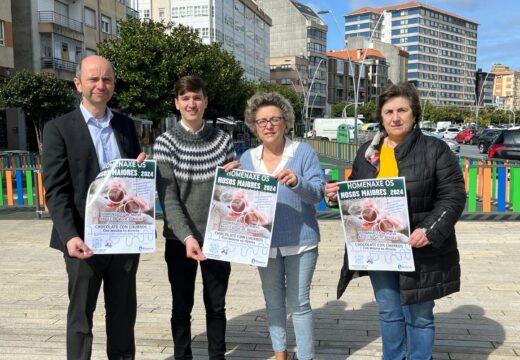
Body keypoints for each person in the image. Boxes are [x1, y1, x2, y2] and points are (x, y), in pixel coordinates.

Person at [325, 82, 466, 360]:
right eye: (388, 111)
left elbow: (453, 196)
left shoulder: (434, 149)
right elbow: (357, 191)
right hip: (379, 247)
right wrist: (336, 194)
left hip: (419, 247)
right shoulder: (369, 151)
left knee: (420, 315)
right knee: (389, 312)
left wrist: (430, 229)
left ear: (414, 114)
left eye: (402, 110)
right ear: (381, 116)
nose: (395, 117)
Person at [42, 55, 146, 359]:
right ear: (78, 84)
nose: (101, 85)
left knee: (123, 316)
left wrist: (139, 171)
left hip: (124, 238)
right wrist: (69, 236)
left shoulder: (126, 125)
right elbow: (56, 190)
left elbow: (133, 181)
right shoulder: (58, 128)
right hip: (82, 241)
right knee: (80, 318)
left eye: (107, 79)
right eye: (93, 79)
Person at [154, 75, 239, 360]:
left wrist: (237, 181)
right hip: (180, 239)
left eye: (197, 97)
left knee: (216, 306)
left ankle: (217, 356)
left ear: (205, 102)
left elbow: (231, 193)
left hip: (217, 237)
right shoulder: (165, 143)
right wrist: (187, 236)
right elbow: (168, 199)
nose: (192, 103)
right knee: (181, 306)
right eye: (185, 98)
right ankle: (183, 356)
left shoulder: (222, 140)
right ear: (177, 103)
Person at [239, 92, 325, 360]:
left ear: (285, 122)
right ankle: (280, 353)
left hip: (301, 240)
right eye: (261, 121)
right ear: (254, 126)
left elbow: (318, 193)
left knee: (299, 304)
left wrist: (298, 181)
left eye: (274, 119)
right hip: (263, 245)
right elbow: (241, 202)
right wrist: (230, 181)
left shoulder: (302, 152)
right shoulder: (247, 159)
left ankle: (306, 356)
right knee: (273, 303)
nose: (268, 125)